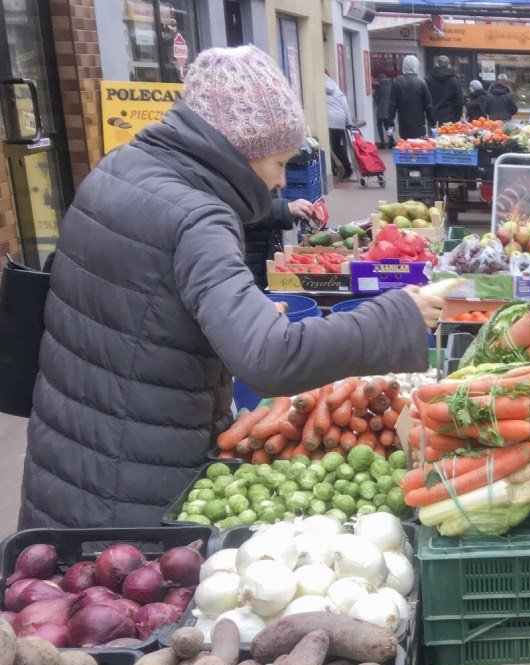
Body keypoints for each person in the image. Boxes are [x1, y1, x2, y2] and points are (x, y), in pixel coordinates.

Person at [18, 46, 447, 529]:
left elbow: (136, 307)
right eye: (280, 163)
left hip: (69, 454)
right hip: (134, 478)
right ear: (244, 149)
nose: (283, 182)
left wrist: (232, 318)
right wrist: (400, 315)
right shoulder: (199, 216)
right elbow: (271, 356)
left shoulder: (117, 170)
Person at [244, 193, 316, 287]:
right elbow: (243, 211)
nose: (281, 184)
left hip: (263, 250)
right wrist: (284, 209)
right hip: (249, 261)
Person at [388, 54, 436, 139]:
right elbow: (428, 105)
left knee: (406, 147)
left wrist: (391, 123)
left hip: (404, 124)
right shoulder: (421, 83)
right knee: (419, 148)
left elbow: (392, 104)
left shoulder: (397, 82)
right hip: (419, 124)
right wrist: (432, 123)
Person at [325, 72, 352, 180]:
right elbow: (345, 105)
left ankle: (343, 168)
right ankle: (343, 167)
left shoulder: (318, 85)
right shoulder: (335, 87)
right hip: (340, 118)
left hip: (329, 119)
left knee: (332, 145)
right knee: (336, 145)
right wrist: (349, 121)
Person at [425, 55, 464, 126]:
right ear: (449, 65)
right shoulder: (454, 80)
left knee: (434, 136)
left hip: (433, 117)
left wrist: (428, 116)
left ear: (437, 64)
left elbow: (425, 100)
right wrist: (456, 118)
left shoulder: (428, 79)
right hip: (450, 117)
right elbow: (459, 101)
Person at [372, 73, 394, 147]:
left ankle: (382, 143)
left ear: (379, 79)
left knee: (379, 125)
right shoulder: (391, 85)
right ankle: (392, 141)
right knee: (387, 126)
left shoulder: (379, 86)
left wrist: (376, 100)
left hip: (381, 109)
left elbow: (376, 98)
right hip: (389, 109)